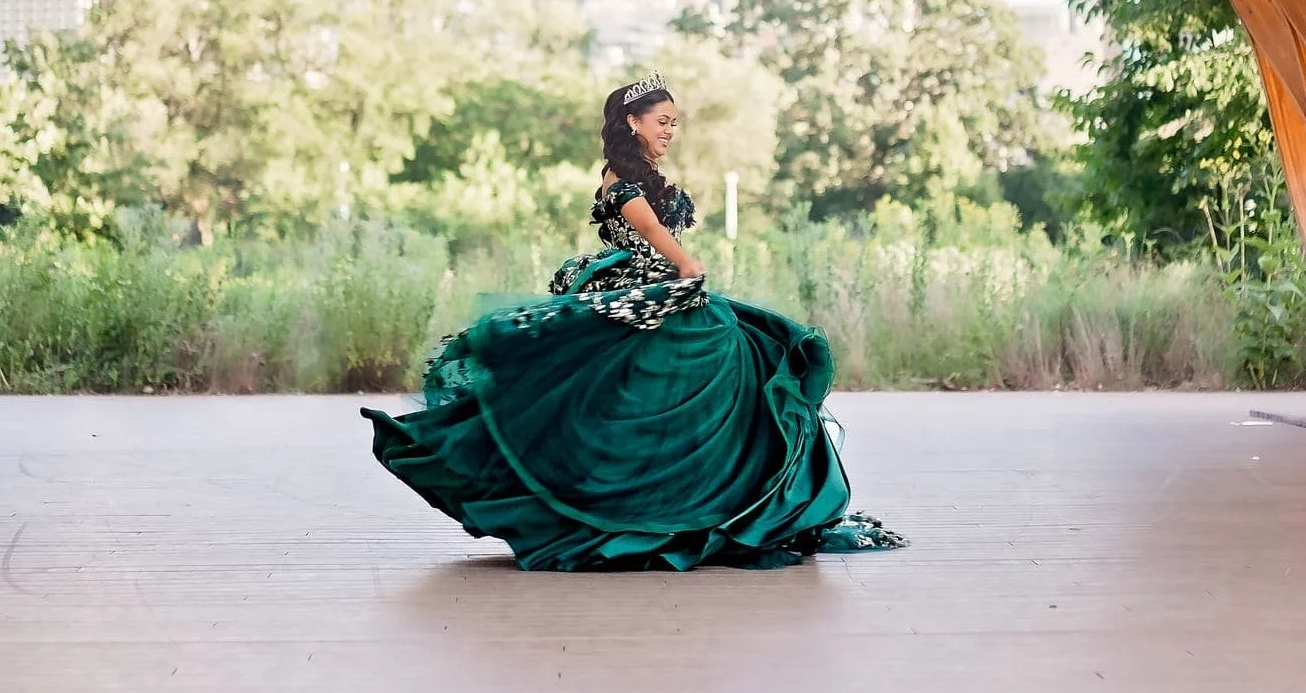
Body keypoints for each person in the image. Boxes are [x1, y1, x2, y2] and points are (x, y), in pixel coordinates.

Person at [361, 72, 906, 571]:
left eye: (674, 122)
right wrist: (687, 265)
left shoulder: (644, 173)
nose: (671, 131)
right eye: (662, 121)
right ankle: (666, 506)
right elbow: (658, 239)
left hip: (666, 295)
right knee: (712, 367)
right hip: (645, 298)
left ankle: (729, 500)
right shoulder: (620, 179)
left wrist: (683, 271)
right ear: (632, 121)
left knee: (755, 356)